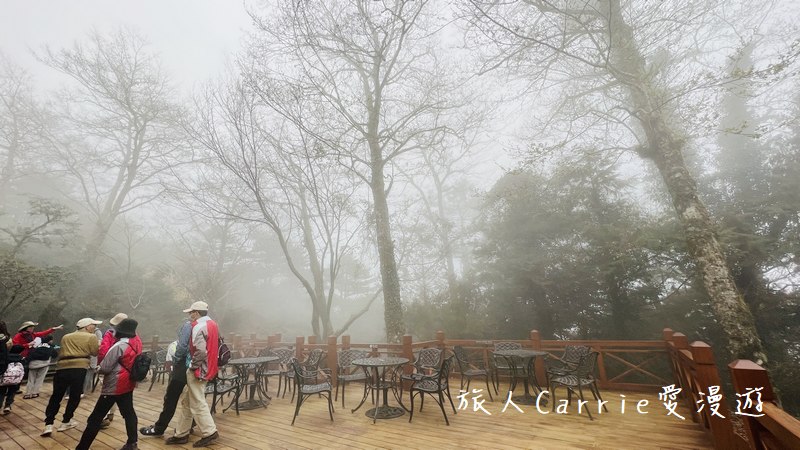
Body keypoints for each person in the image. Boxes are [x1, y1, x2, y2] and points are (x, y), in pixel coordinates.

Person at [76, 318, 143, 450]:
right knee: (129, 413)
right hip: (128, 383)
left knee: (95, 418)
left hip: (114, 384)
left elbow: (106, 367)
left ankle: (82, 447)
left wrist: (97, 369)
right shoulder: (136, 343)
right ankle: (132, 443)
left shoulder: (119, 346)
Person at [166, 301, 220, 447]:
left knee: (197, 402)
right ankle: (181, 434)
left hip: (198, 370)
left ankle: (210, 432)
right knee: (188, 401)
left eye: (191, 312)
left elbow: (201, 351)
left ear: (197, 312)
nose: (190, 315)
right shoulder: (213, 324)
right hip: (209, 368)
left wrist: (192, 366)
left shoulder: (198, 326)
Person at [41, 317, 101, 437]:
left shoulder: (66, 336)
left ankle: (48, 424)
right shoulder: (91, 337)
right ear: (87, 326)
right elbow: (94, 352)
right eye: (93, 325)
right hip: (79, 367)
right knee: (74, 395)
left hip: (62, 367)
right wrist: (98, 344)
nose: (94, 327)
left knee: (56, 396)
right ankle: (66, 421)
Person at [139, 319, 191, 437]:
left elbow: (178, 352)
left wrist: (177, 360)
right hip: (195, 371)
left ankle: (159, 428)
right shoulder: (201, 332)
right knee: (194, 401)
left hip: (179, 372)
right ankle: (189, 425)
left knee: (171, 400)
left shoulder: (180, 339)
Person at [97, 312, 128, 428]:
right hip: (125, 370)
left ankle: (102, 417)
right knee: (119, 392)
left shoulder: (110, 333)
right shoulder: (131, 336)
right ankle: (111, 413)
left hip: (109, 367)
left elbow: (103, 350)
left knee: (107, 392)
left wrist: (101, 365)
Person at [0, 345, 25, 414]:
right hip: (15, 379)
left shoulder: (5, 357)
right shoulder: (21, 358)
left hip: (4, 378)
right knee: (11, 392)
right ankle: (7, 406)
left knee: (1, 392)